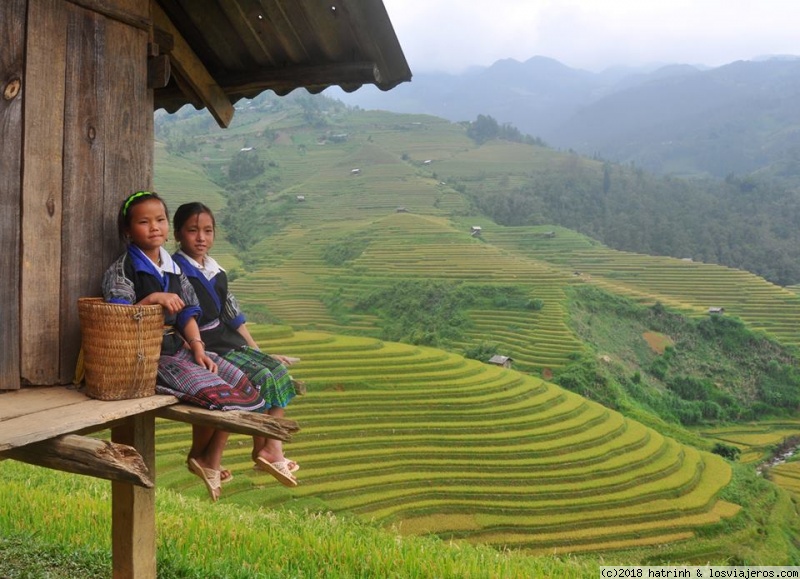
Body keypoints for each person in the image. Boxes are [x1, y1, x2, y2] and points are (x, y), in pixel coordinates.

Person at [102, 191, 267, 501]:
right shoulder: (124, 269)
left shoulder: (173, 269)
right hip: (147, 355)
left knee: (244, 386)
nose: (154, 228)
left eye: (160, 220)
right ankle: (202, 459)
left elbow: (189, 311)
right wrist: (153, 299)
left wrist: (198, 347)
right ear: (127, 231)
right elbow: (118, 316)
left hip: (178, 346)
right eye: (144, 222)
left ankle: (204, 459)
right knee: (216, 394)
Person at [172, 202, 302, 488]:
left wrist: (257, 351)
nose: (201, 238)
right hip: (205, 344)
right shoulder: (177, 270)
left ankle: (272, 445)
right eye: (193, 231)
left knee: (278, 372)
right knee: (258, 379)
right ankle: (261, 450)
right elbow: (184, 317)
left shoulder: (216, 270)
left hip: (226, 340)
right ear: (178, 233)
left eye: (207, 231)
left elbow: (232, 314)